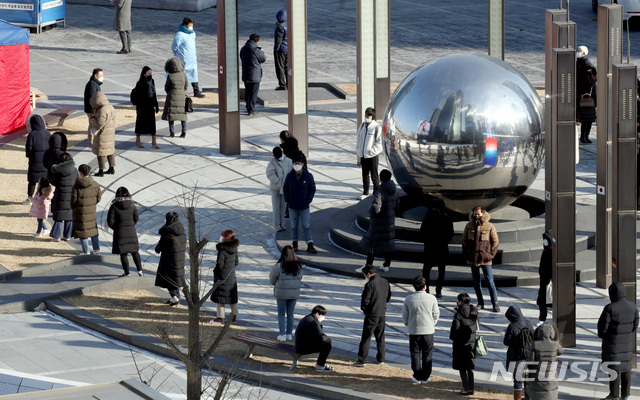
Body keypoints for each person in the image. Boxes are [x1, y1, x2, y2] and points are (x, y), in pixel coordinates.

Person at [597, 282, 639, 400]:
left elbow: (602, 329)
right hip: (626, 344)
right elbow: (635, 325)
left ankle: (613, 395)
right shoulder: (633, 306)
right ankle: (625, 395)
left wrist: (606, 336)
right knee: (626, 369)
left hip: (612, 345)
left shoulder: (610, 308)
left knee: (614, 370)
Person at [357, 169, 399, 273]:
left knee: (372, 245)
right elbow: (397, 205)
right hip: (389, 222)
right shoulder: (394, 190)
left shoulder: (380, 192)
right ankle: (386, 265)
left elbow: (376, 208)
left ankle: (368, 266)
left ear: (381, 179)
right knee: (387, 243)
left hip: (378, 223)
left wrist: (370, 210)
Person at [462, 205, 500, 312]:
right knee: (476, 282)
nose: (476, 215)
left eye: (478, 213)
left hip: (486, 259)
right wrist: (466, 253)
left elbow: (495, 242)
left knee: (490, 281)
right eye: (475, 213)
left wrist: (490, 255)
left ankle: (495, 302)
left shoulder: (489, 226)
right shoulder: (469, 225)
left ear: (483, 213)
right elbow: (464, 240)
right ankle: (480, 302)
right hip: (472, 258)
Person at [402, 275, 439, 384]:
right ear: (425, 286)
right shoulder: (432, 298)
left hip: (414, 330)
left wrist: (408, 325)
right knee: (427, 354)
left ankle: (417, 375)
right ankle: (426, 376)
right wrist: (432, 323)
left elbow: (405, 315)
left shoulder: (409, 299)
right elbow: (436, 314)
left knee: (415, 354)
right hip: (428, 330)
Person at [353, 264, 391, 367]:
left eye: (364, 275)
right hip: (382, 313)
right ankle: (381, 358)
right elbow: (388, 297)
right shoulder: (385, 281)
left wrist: (365, 310)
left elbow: (365, 301)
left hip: (372, 314)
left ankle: (362, 360)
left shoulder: (370, 284)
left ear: (368, 274)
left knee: (366, 337)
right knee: (380, 337)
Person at [283, 154, 317, 254]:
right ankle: (295, 244)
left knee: (306, 225)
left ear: (303, 164)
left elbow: (312, 188)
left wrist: (308, 199)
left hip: (304, 205)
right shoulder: (289, 176)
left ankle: (310, 244)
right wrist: (288, 199)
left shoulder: (308, 176)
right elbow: (285, 188)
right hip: (293, 206)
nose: (297, 165)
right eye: (295, 163)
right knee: (294, 226)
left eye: (299, 163)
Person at [419, 198, 453, 298]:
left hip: (433, 248)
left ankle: (432, 289)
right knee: (437, 271)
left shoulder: (429, 217)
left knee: (430, 271)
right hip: (439, 248)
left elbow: (422, 233)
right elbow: (450, 235)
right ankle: (436, 290)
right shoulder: (445, 218)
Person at [107, 187, 143, 277]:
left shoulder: (114, 206)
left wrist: (117, 228)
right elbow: (136, 218)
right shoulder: (132, 205)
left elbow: (110, 222)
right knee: (135, 251)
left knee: (123, 253)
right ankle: (140, 271)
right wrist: (131, 225)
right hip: (131, 231)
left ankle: (127, 273)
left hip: (120, 233)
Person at [270, 245, 303, 341]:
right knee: (290, 313)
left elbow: (272, 278)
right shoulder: (298, 266)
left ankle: (282, 334)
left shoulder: (279, 266)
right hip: (294, 293)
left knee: (281, 314)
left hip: (281, 293)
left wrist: (277, 284)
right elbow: (300, 278)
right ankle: (289, 334)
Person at [155, 212, 187, 306]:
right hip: (180, 258)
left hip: (168, 259)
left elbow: (160, 246)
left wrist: (157, 249)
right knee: (175, 277)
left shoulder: (167, 231)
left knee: (168, 279)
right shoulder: (181, 229)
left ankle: (175, 298)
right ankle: (176, 297)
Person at [527, 322, 564, 400]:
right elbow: (561, 351)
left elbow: (530, 361)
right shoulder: (555, 344)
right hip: (551, 377)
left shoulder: (535, 345)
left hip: (537, 377)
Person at [450, 293, 477, 396]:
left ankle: (466, 389)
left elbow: (454, 332)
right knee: (470, 368)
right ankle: (471, 388)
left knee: (462, 368)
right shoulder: (473, 312)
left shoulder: (458, 315)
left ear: (460, 302)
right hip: (471, 344)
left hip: (461, 345)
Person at [504, 305, 534, 400]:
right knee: (528, 379)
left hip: (516, 356)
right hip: (528, 356)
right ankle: (528, 398)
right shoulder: (528, 323)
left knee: (517, 380)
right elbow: (533, 337)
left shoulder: (512, 326)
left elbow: (506, 342)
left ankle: (517, 398)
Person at [71, 164, 102, 255]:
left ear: (80, 173)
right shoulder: (95, 184)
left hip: (79, 211)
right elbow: (98, 197)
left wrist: (74, 207)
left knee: (82, 230)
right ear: (89, 172)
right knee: (93, 229)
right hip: (91, 210)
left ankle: (86, 251)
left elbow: (73, 200)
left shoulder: (76, 186)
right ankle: (96, 250)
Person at [210, 230, 240, 324]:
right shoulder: (234, 248)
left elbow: (220, 264)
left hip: (222, 277)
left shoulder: (222, 250)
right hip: (231, 277)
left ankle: (219, 317)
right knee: (232, 297)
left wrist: (215, 272)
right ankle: (234, 316)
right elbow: (236, 261)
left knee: (220, 298)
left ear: (225, 238)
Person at [172, 17, 205, 98]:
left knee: (194, 73)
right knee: (183, 75)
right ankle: (182, 91)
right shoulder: (179, 35)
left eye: (192, 25)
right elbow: (174, 47)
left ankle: (196, 91)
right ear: (185, 25)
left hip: (192, 58)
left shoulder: (192, 33)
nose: (191, 27)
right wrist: (179, 54)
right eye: (190, 25)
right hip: (183, 58)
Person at [295, 305, 334, 372]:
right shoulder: (312, 323)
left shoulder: (309, 318)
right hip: (303, 347)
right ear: (317, 314)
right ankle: (320, 366)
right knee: (326, 345)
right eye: (322, 315)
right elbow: (318, 337)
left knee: (327, 341)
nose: (323, 317)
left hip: (301, 343)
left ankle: (321, 364)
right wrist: (326, 339)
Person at [355, 107, 383, 200]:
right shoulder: (363, 125)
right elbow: (359, 137)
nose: (366, 118)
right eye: (365, 116)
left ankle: (376, 193)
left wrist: (371, 152)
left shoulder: (377, 128)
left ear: (372, 117)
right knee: (365, 175)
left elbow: (379, 143)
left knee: (374, 176)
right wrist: (359, 149)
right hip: (363, 155)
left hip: (372, 156)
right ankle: (365, 193)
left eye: (368, 116)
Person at [49, 152, 77, 241]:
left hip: (60, 195)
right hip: (71, 195)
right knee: (69, 216)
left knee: (59, 217)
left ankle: (57, 235)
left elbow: (53, 182)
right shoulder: (75, 170)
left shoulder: (57, 171)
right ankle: (67, 235)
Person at [24, 114, 50, 205]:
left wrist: (29, 155)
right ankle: (46, 198)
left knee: (32, 181)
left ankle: (30, 199)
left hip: (34, 161)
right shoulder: (47, 133)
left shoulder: (32, 134)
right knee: (45, 180)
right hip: (46, 161)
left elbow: (29, 148)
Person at [88, 92, 116, 177]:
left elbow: (99, 123)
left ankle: (101, 170)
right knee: (110, 150)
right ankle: (112, 168)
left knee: (100, 152)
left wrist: (92, 119)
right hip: (110, 132)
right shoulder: (111, 107)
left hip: (102, 134)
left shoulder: (102, 110)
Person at [132, 66, 159, 149]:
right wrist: (139, 108)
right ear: (144, 74)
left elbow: (154, 94)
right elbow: (139, 96)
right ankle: (138, 140)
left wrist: (156, 105)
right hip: (142, 106)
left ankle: (154, 141)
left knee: (152, 124)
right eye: (149, 73)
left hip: (150, 105)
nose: (150, 74)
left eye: (151, 73)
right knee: (140, 123)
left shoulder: (152, 81)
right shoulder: (140, 83)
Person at [161, 57, 189, 138]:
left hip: (171, 97)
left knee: (171, 116)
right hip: (182, 97)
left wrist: (170, 92)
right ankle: (183, 132)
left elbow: (166, 87)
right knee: (183, 116)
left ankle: (172, 132)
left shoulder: (170, 76)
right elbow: (186, 86)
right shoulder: (184, 75)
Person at [266, 146, 292, 232]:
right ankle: (276, 225)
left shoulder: (289, 161)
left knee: (283, 208)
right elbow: (269, 173)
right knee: (276, 207)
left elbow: (291, 173)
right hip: (276, 188)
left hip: (285, 188)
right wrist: (277, 182)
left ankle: (282, 224)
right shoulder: (272, 162)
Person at [240, 33, 266, 116]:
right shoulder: (256, 50)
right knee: (253, 93)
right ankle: (251, 110)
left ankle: (248, 107)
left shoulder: (243, 48)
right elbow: (263, 59)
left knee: (247, 92)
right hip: (255, 75)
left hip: (246, 73)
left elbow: (241, 57)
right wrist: (262, 52)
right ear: (257, 41)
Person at [576, 45, 597, 144]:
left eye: (579, 51)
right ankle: (584, 136)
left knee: (587, 118)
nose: (578, 52)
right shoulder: (580, 62)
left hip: (587, 95)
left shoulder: (585, 63)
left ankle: (585, 136)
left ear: (584, 53)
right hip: (586, 95)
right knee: (586, 118)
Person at [536, 231, 553, 324]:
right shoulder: (545, 251)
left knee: (552, 299)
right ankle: (542, 318)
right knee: (542, 300)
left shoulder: (553, 253)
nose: (544, 242)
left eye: (546, 240)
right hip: (544, 280)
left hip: (550, 281)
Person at [273, 9, 288, 90]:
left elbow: (278, 40)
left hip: (281, 50)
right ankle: (289, 84)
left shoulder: (280, 27)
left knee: (280, 67)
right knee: (287, 67)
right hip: (288, 49)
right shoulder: (289, 24)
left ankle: (282, 85)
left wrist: (276, 50)